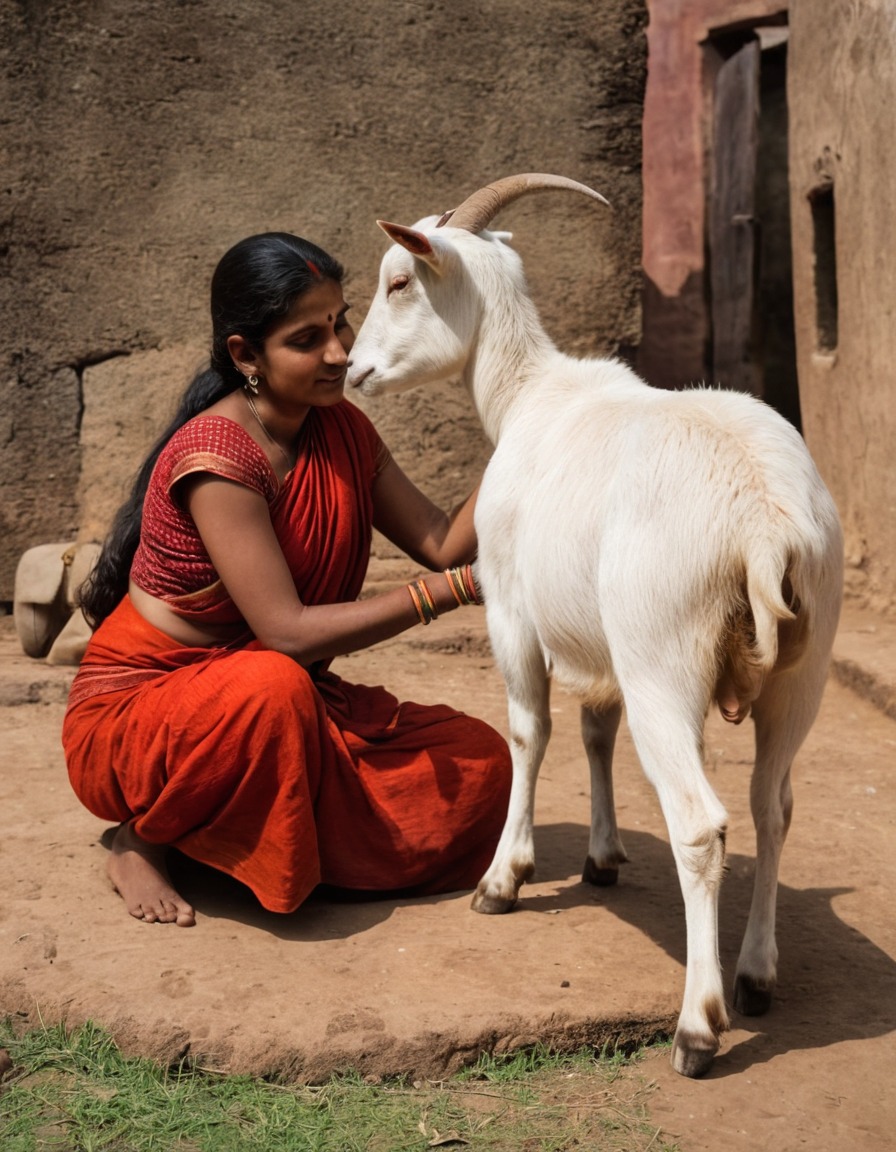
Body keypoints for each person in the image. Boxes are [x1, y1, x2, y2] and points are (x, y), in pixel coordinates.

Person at [62, 232, 512, 928]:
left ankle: (252, 839)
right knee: (271, 687)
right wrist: (450, 594)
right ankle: (141, 838)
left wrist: (526, 434)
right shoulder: (218, 456)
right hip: (149, 716)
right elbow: (284, 634)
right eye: (308, 339)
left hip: (290, 701)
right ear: (246, 355)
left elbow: (442, 541)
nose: (340, 352)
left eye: (341, 323)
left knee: (481, 760)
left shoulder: (344, 431)